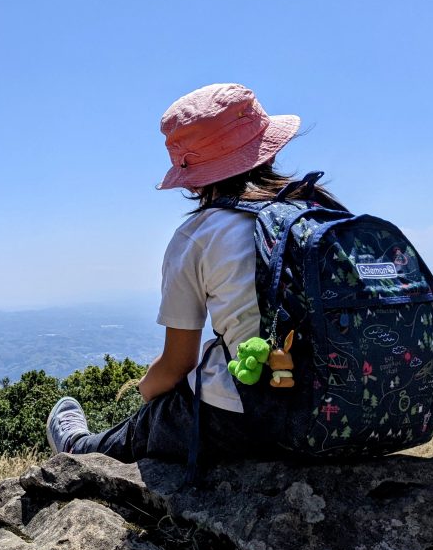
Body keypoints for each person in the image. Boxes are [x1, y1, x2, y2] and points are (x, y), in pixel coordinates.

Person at [46, 82, 342, 464]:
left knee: (146, 426)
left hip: (250, 419)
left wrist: (146, 391)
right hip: (345, 407)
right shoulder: (321, 208)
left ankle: (75, 448)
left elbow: (177, 364)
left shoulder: (200, 234)